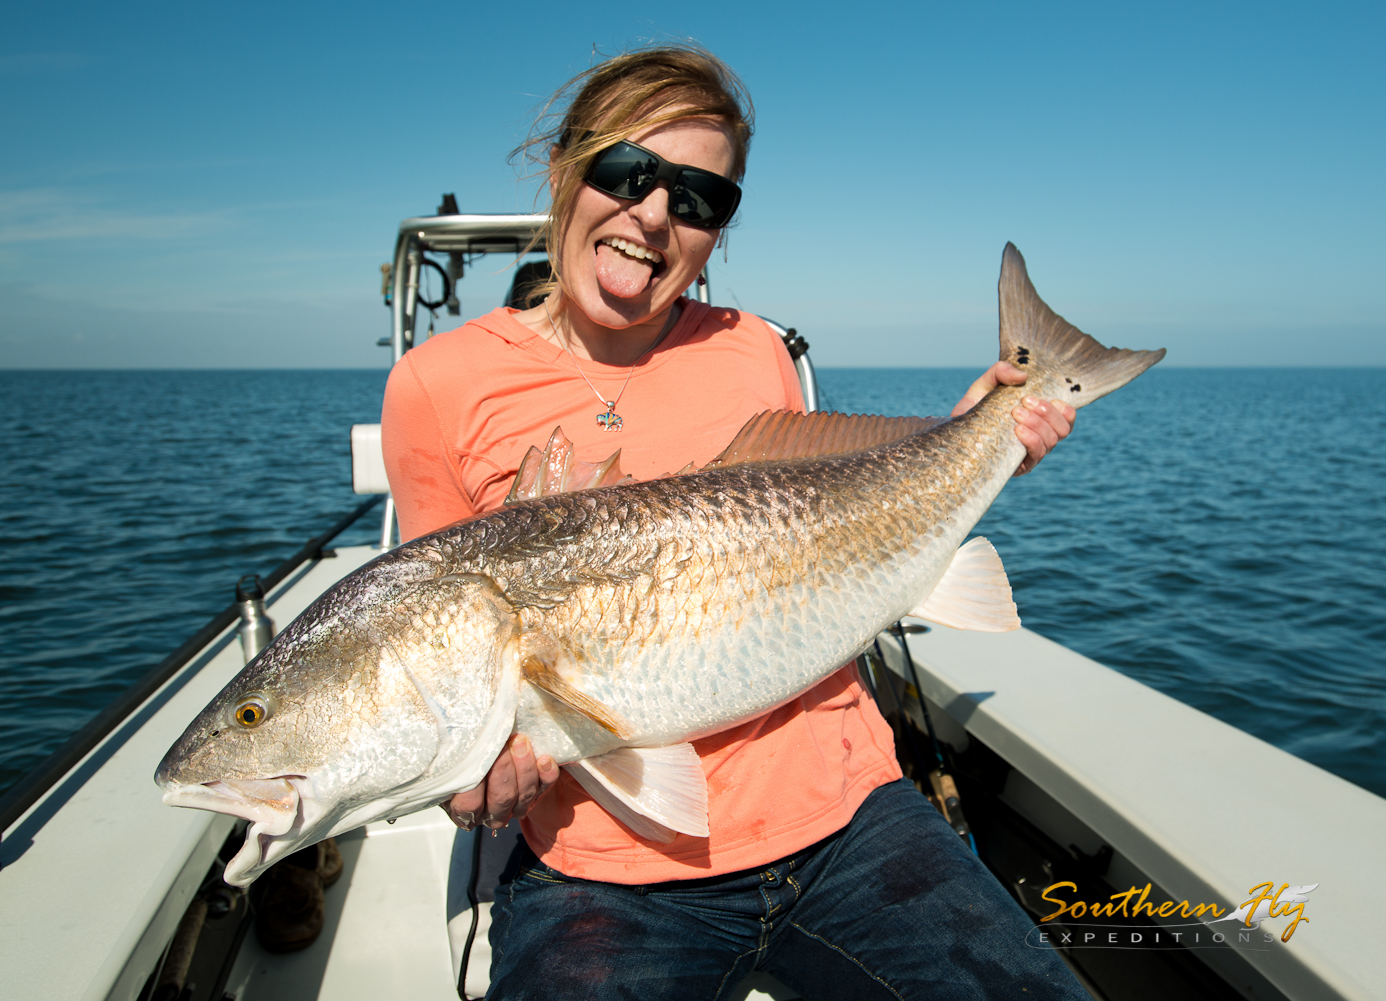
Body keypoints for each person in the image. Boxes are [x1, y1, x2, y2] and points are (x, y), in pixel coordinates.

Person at [381, 45, 1087, 1001]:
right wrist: (468, 766)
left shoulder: (753, 348)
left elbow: (835, 507)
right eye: (628, 172)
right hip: (603, 870)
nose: (654, 215)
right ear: (563, 166)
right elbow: (428, 631)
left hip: (853, 819)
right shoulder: (435, 385)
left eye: (700, 199)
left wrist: (981, 432)